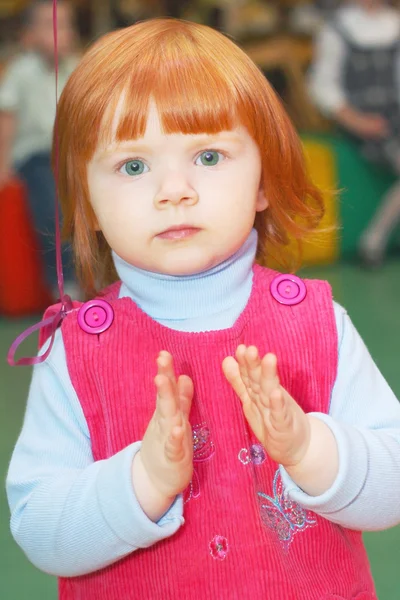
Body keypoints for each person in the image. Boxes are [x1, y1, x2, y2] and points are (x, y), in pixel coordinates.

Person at [6, 18, 400, 600]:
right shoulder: (73, 353)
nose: (175, 190)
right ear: (85, 202)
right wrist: (144, 481)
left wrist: (311, 451)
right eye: (133, 166)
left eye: (209, 156)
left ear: (263, 180)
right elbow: (39, 527)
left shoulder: (318, 323)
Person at [308, 0, 400, 266]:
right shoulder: (338, 28)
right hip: (357, 121)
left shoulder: (394, 25)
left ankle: (374, 239)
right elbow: (323, 84)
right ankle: (374, 239)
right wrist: (355, 120)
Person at [0, 0, 79, 296]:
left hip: (69, 154)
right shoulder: (21, 71)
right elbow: (7, 118)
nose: (60, 33)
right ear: (29, 35)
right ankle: (64, 286)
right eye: (49, 25)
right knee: (52, 210)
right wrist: (2, 165)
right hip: (35, 155)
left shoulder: (77, 66)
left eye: (66, 25)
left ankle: (95, 276)